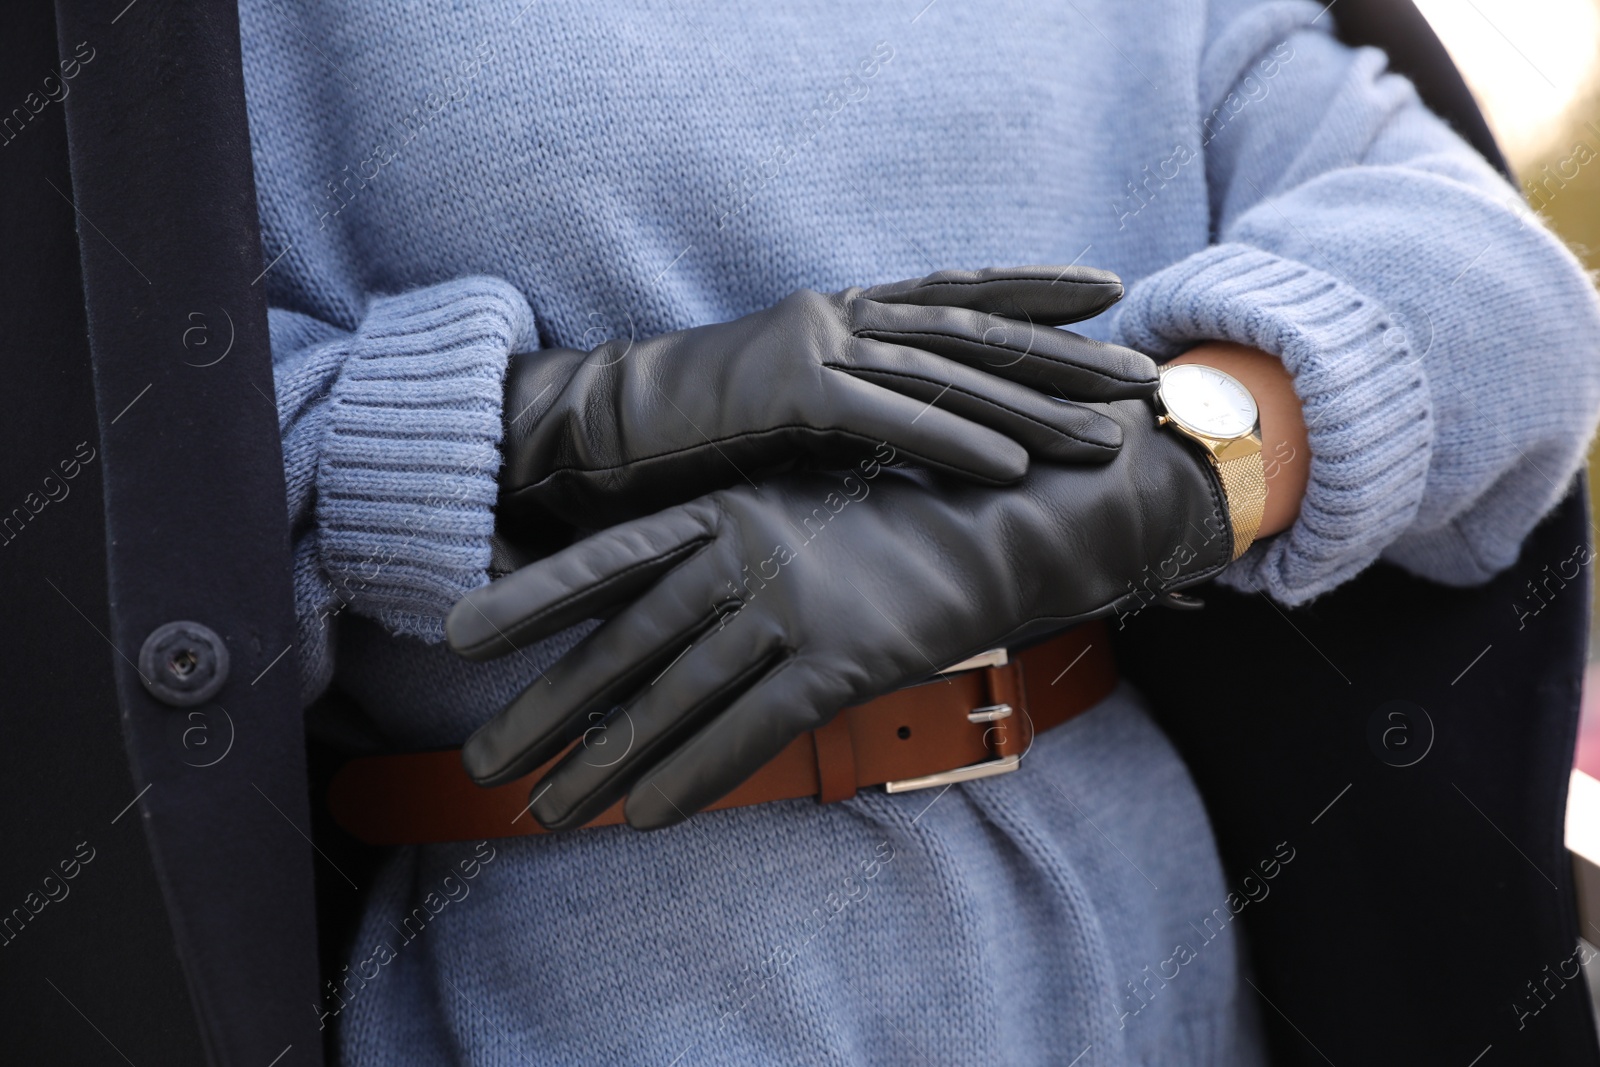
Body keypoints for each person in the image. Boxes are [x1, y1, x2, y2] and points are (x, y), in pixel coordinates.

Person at [238, 0, 1600, 1062]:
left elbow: (1496, 286)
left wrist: (1148, 482)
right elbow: (93, 453)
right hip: (612, 976)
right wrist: (524, 428)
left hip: (1151, 941)